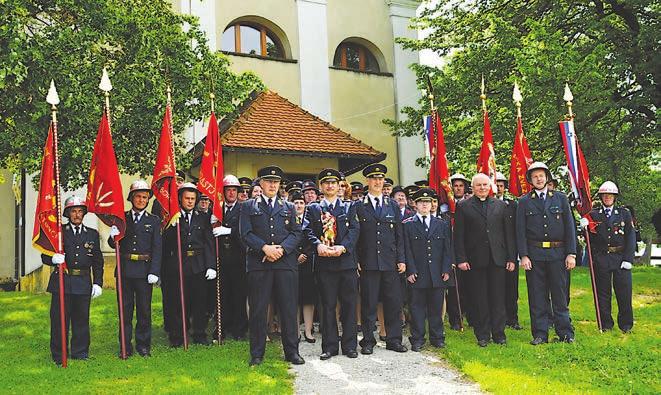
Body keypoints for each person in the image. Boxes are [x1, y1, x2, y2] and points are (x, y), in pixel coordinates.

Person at [239, 165, 305, 366]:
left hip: (285, 264)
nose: (272, 185)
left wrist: (281, 250)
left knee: (288, 308)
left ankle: (292, 352)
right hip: (260, 264)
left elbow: (297, 233)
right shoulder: (249, 206)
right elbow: (245, 233)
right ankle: (257, 354)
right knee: (259, 310)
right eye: (268, 181)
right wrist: (265, 248)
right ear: (260, 183)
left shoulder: (289, 207)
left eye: (276, 182)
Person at [516, 162, 576, 345]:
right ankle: (540, 334)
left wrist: (571, 253)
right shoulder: (524, 201)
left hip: (558, 254)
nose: (538, 179)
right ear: (530, 180)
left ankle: (565, 333)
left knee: (559, 295)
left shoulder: (560, 198)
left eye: (541, 175)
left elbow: (570, 228)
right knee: (537, 295)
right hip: (534, 256)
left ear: (547, 177)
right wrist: (523, 255)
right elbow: (520, 231)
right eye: (535, 176)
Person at [304, 168, 361, 360]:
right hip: (325, 264)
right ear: (321, 187)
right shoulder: (313, 208)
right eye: (326, 183)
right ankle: (329, 346)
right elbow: (308, 231)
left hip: (346, 263)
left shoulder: (349, 207)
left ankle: (350, 346)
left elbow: (355, 230)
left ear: (339, 186)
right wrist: (318, 245)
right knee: (327, 306)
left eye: (334, 183)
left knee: (349, 305)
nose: (330, 186)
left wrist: (343, 247)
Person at [454, 174, 516, 346]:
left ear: (490, 187)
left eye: (485, 185)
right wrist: (461, 258)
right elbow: (458, 236)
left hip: (498, 259)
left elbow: (508, 234)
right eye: (478, 185)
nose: (482, 188)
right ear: (472, 188)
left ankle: (499, 333)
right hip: (474, 260)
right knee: (479, 298)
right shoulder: (464, 206)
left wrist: (511, 257)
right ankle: (482, 334)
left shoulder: (501, 206)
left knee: (498, 298)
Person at [41, 195, 103, 365]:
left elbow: (98, 261)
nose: (77, 215)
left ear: (84, 213)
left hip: (83, 282)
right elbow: (44, 256)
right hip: (62, 282)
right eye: (73, 211)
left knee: (81, 319)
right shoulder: (59, 233)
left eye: (80, 211)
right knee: (59, 320)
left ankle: (80, 352)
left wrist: (98, 282)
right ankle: (58, 354)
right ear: (67, 214)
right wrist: (53, 258)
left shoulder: (92, 234)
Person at [355, 163, 407, 354]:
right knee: (368, 303)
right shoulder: (358, 206)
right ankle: (368, 341)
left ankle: (394, 340)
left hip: (390, 262)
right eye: (374, 178)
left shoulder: (392, 205)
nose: (377, 182)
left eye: (380, 179)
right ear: (367, 181)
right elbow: (355, 236)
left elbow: (399, 235)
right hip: (368, 262)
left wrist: (401, 259)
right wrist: (356, 260)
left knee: (393, 302)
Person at [108, 180, 162, 357]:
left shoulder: (153, 221)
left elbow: (157, 248)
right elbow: (113, 244)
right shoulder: (122, 219)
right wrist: (112, 235)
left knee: (144, 310)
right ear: (131, 198)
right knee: (125, 309)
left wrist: (155, 271)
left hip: (144, 271)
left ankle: (143, 345)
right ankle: (125, 345)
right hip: (125, 270)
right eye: (138, 196)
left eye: (144, 197)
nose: (141, 200)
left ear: (148, 200)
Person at [162, 182, 216, 347]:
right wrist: (170, 227)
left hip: (198, 264)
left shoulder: (203, 217)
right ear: (180, 198)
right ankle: (177, 335)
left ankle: (199, 333)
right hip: (178, 264)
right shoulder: (173, 218)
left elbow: (208, 243)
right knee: (178, 301)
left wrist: (211, 265)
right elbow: (165, 245)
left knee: (200, 301)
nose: (190, 201)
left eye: (193, 198)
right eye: (187, 198)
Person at [403, 188, 452, 351]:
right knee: (416, 308)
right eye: (421, 202)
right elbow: (406, 250)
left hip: (437, 273)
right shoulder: (408, 225)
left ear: (432, 204)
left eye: (428, 202)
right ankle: (417, 339)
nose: (425, 205)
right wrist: (410, 270)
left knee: (436, 308)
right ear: (415, 205)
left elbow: (447, 249)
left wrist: (446, 269)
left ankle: (437, 337)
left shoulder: (442, 224)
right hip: (417, 274)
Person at [586, 181, 635, 332]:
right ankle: (605, 324)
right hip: (602, 258)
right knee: (603, 293)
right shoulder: (594, 215)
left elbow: (631, 237)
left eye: (610, 195)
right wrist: (584, 227)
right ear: (601, 197)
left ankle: (626, 325)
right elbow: (591, 239)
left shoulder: (624, 213)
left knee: (624, 292)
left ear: (615, 197)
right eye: (605, 195)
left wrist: (628, 259)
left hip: (620, 257)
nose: (607, 197)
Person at [213, 175, 248, 340]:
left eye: (234, 190)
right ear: (224, 192)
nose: (232, 193)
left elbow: (245, 231)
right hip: (221, 258)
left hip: (238, 258)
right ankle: (221, 327)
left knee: (239, 295)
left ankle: (239, 329)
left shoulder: (243, 209)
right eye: (228, 190)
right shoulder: (217, 210)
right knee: (222, 295)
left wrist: (229, 231)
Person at [495, 172, 522, 330]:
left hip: (511, 250)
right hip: (496, 251)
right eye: (496, 185)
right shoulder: (490, 203)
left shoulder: (513, 205)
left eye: (501, 185)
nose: (498, 188)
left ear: (505, 187)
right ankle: (500, 317)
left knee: (512, 288)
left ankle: (513, 318)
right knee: (498, 287)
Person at [292, 192, 317, 343]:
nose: (299, 205)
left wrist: (305, 255)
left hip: (308, 264)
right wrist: (295, 255)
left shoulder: (309, 221)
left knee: (308, 298)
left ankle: (308, 331)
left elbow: (313, 238)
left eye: (301, 203)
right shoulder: (287, 220)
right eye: (296, 203)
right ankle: (295, 332)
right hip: (292, 263)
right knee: (293, 299)